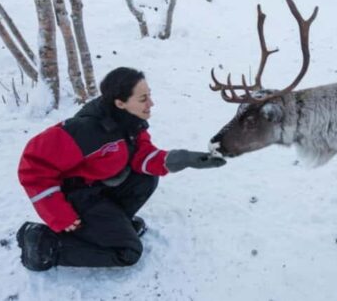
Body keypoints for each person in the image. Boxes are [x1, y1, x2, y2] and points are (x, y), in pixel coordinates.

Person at [16, 67, 226, 271]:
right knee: (128, 251)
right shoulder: (84, 130)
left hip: (98, 187)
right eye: (143, 99)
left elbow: (142, 155)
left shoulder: (130, 121)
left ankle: (112, 226)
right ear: (120, 103)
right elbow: (33, 166)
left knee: (146, 177)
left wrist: (184, 159)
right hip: (76, 197)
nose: (151, 103)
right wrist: (60, 214)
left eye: (149, 96)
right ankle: (44, 246)